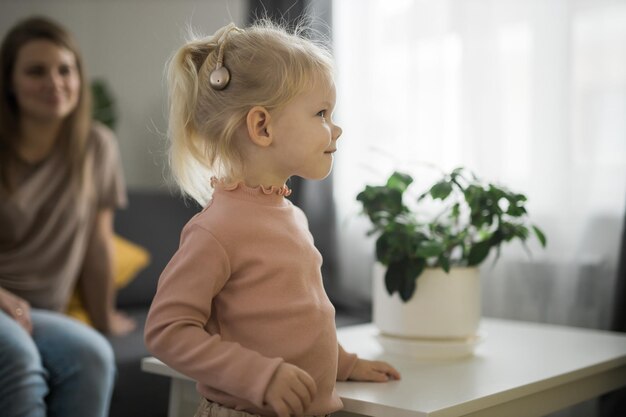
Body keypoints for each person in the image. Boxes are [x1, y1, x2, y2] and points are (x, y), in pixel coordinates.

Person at [144, 20, 401, 417]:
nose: (336, 128)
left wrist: (345, 363)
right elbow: (166, 331)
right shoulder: (216, 229)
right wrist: (258, 376)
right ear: (261, 126)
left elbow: (301, 315)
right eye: (321, 113)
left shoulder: (291, 215)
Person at [0, 16, 135, 417]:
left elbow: (97, 244)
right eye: (36, 71)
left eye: (65, 69)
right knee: (19, 356)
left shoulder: (96, 145)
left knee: (92, 353)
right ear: (9, 81)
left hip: (40, 312)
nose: (55, 82)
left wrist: (103, 316)